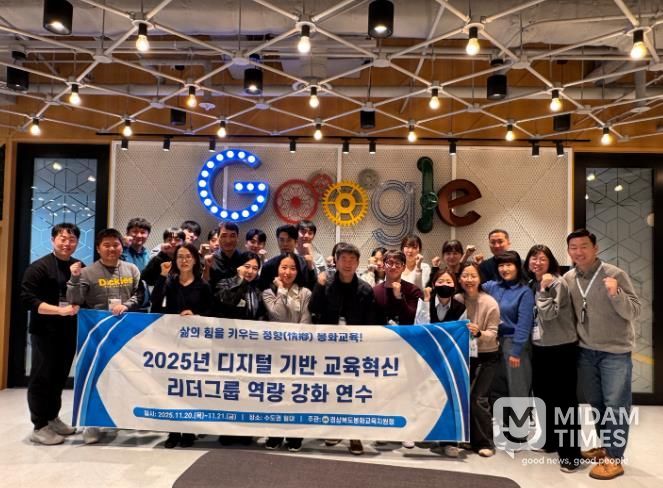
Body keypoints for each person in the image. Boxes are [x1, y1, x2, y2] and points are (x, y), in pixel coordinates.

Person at [564, 229, 640, 481]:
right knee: (597, 404)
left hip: (615, 352)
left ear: (595, 248)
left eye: (584, 246)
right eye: (573, 247)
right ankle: (607, 448)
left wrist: (616, 294)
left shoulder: (614, 274)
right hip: (586, 351)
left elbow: (634, 311)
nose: (579, 252)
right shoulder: (569, 278)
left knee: (616, 406)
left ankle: (614, 458)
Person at [67, 228, 144, 445]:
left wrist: (127, 305)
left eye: (115, 244)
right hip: (96, 334)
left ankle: (118, 416)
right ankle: (91, 423)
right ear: (98, 248)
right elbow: (75, 300)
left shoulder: (131, 269)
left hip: (125, 334)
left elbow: (140, 295)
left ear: (122, 246)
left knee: (124, 376)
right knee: (94, 377)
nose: (111, 249)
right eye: (106, 245)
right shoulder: (87, 272)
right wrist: (74, 278)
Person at [309, 242, 376, 456]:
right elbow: (313, 309)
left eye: (352, 259)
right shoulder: (325, 283)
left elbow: (370, 322)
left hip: (355, 350)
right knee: (332, 389)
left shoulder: (365, 289)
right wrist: (319, 287)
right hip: (329, 348)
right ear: (336, 261)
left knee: (354, 392)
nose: (348, 263)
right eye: (343, 259)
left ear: (357, 263)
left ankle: (355, 435)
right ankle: (335, 429)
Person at [20, 223, 82, 445]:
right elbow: (27, 299)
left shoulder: (78, 266)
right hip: (44, 332)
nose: (67, 243)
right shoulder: (38, 267)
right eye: (62, 239)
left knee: (59, 376)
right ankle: (39, 426)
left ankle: (52, 417)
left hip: (69, 331)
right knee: (41, 377)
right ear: (53, 240)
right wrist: (59, 311)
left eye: (72, 240)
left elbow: (84, 294)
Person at [524, 244, 582, 472]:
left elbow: (548, 314)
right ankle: (550, 442)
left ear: (550, 262)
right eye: (533, 258)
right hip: (540, 348)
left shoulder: (556, 283)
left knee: (564, 402)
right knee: (544, 397)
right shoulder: (532, 283)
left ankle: (571, 455)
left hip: (561, 348)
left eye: (542, 259)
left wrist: (544, 289)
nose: (537, 262)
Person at [150, 243, 212, 449]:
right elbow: (155, 304)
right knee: (173, 388)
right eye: (180, 257)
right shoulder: (170, 283)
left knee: (191, 388)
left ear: (195, 259)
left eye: (188, 256)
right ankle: (173, 430)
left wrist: (196, 316)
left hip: (195, 345)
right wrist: (162, 276)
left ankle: (189, 430)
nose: (184, 260)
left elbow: (211, 313)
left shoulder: (203, 285)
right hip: (171, 342)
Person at [262, 253, 312, 452]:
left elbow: (305, 321)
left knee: (297, 394)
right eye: (284, 267)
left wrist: (296, 342)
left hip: (299, 352)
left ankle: (295, 435)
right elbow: (277, 315)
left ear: (298, 271)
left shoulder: (305, 293)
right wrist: (282, 291)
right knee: (277, 393)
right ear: (277, 269)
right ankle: (275, 433)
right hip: (275, 352)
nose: (288, 272)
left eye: (292, 268)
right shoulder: (268, 293)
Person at [214, 250, 265, 447]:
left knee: (247, 390)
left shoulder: (258, 289)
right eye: (247, 266)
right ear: (238, 267)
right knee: (229, 389)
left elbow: (260, 314)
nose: (250, 271)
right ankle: (227, 430)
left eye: (255, 268)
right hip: (227, 347)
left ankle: (245, 430)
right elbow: (228, 301)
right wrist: (240, 281)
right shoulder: (224, 283)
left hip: (250, 348)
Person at [412, 268, 466, 454]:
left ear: (455, 285)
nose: (445, 285)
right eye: (440, 281)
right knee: (425, 396)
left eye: (449, 282)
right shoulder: (425, 302)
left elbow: (459, 334)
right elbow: (420, 328)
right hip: (426, 358)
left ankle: (448, 441)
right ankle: (424, 433)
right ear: (433, 284)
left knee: (449, 398)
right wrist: (426, 302)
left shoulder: (460, 308)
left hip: (449, 359)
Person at [454, 262, 500, 457]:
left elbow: (493, 333)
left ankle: (486, 443)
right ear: (459, 279)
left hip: (486, 356)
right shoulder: (456, 299)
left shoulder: (490, 302)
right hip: (463, 356)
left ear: (480, 279)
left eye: (473, 276)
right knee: (463, 398)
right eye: (465, 275)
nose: (469, 280)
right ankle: (468, 439)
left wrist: (479, 333)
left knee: (478, 399)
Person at [483, 250, 534, 406]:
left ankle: (520, 422)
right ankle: (501, 420)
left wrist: (516, 351)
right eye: (501, 265)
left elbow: (524, 324)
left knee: (518, 388)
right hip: (493, 343)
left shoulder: (524, 291)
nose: (504, 269)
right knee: (496, 388)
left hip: (514, 343)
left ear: (517, 267)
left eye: (509, 265)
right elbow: (470, 288)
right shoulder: (491, 286)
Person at [259, 225, 316, 291]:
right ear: (278, 241)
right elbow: (262, 290)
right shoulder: (268, 266)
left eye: (289, 240)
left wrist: (311, 268)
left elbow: (312, 287)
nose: (285, 244)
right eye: (281, 240)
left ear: (296, 242)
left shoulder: (304, 263)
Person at [373, 250, 422, 326]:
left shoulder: (413, 290)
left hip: (405, 333)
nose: (393, 267)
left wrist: (399, 297)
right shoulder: (374, 292)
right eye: (390, 263)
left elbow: (414, 319)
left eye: (398, 264)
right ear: (383, 266)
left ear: (403, 268)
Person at [204, 222, 245, 292]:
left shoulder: (244, 259)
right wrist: (206, 268)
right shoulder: (210, 259)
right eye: (224, 236)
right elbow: (204, 286)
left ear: (237, 237)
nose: (228, 240)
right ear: (218, 238)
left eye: (232, 236)